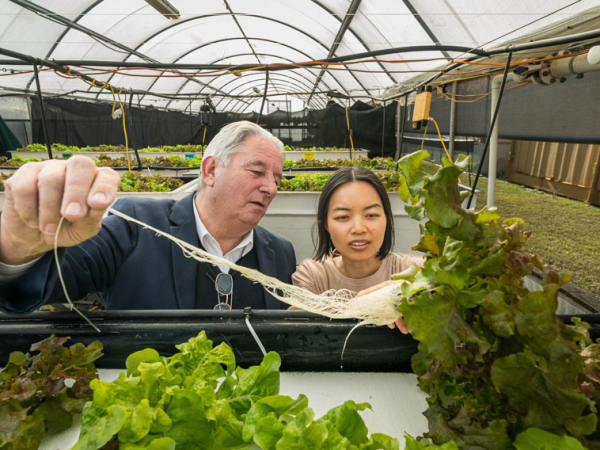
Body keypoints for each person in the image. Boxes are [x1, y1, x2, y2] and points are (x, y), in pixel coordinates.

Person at [0, 121, 296, 312]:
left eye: (277, 179)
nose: (270, 187)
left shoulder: (280, 253)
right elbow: (39, 287)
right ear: (210, 171)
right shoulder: (135, 226)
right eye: (257, 172)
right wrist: (18, 248)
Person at [292, 167, 422, 332]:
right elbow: (298, 337)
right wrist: (361, 305)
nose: (358, 228)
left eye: (371, 215)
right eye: (343, 217)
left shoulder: (412, 270)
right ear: (325, 224)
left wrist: (409, 288)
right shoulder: (313, 275)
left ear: (387, 219)